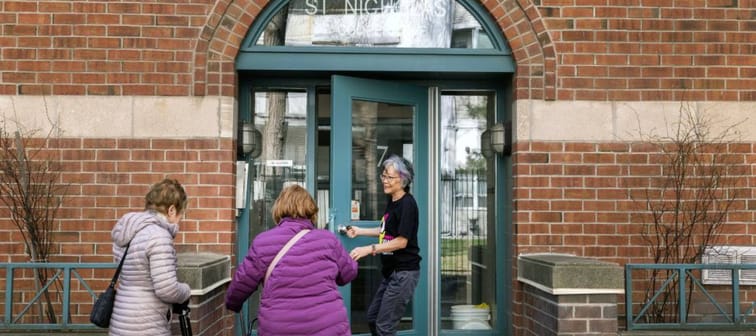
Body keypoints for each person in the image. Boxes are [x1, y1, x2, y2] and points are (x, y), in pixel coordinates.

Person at [225, 184, 358, 336]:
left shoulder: (263, 242)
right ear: (311, 210)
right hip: (328, 326)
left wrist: (233, 303)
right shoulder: (327, 239)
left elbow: (241, 285)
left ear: (279, 209)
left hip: (279, 327)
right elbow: (348, 274)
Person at [347, 155, 421, 336]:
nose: (385, 181)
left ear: (403, 180)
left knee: (384, 327)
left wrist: (369, 249)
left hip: (404, 273)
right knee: (373, 318)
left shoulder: (407, 204)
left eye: (389, 177)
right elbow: (386, 230)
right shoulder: (393, 201)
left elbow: (401, 241)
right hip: (391, 273)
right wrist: (360, 231)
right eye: (384, 176)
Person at [109, 178, 192, 336]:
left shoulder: (130, 231)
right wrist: (186, 291)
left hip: (122, 319)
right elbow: (167, 289)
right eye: (182, 214)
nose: (180, 221)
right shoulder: (159, 237)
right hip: (146, 324)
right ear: (172, 210)